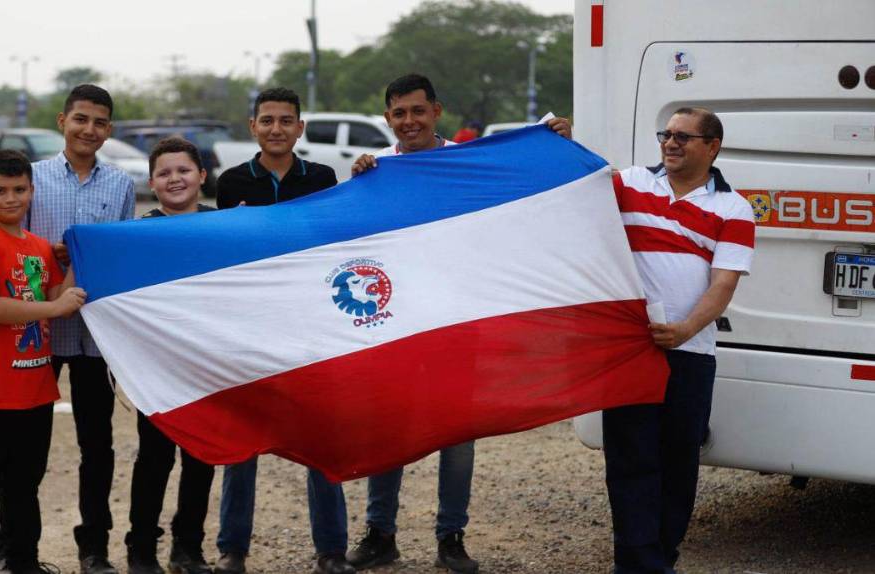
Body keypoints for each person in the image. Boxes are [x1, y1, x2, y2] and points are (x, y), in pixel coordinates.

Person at [347, 73, 573, 574]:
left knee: (458, 436)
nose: (410, 121)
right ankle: (380, 533)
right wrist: (358, 179)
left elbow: (523, 184)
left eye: (418, 111)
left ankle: (451, 537)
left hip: (457, 320)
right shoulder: (375, 170)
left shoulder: (468, 162)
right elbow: (353, 238)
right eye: (399, 113)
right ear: (388, 118)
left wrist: (552, 146)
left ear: (437, 111)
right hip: (396, 326)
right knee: (389, 431)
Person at [603, 107, 754, 574]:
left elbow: (723, 284)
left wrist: (686, 329)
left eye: (683, 138)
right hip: (630, 353)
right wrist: (559, 141)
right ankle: (641, 567)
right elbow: (570, 189)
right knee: (630, 466)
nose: (670, 143)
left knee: (677, 467)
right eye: (666, 135)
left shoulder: (733, 208)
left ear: (712, 146)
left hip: (690, 354)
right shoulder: (629, 183)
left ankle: (656, 559)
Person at [212, 87, 354, 574]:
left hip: (309, 327)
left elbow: (337, 241)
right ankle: (232, 549)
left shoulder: (323, 178)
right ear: (252, 127)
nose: (276, 128)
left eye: (285, 120)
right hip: (249, 328)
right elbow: (220, 253)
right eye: (267, 120)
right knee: (242, 441)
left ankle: (332, 551)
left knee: (321, 436)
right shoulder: (230, 183)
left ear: (300, 128)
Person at [0, 149, 87, 574]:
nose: (11, 198)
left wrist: (80, 259)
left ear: (32, 191)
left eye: (19, 190)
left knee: (25, 485)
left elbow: (53, 297)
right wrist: (56, 308)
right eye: (0, 190)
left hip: (34, 388)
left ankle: (22, 560)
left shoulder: (37, 248)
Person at [24, 83, 136, 574]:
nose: (89, 130)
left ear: (109, 130)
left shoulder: (121, 185)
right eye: (80, 119)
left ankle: (94, 549)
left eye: (99, 122)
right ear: (61, 121)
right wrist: (52, 257)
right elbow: (15, 247)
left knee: (98, 447)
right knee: (27, 444)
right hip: (40, 331)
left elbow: (121, 255)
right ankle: (17, 550)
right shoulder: (32, 178)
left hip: (94, 335)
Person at [125, 137, 217, 574]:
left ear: (201, 175)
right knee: (154, 459)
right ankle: (141, 550)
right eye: (164, 173)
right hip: (157, 370)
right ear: (152, 183)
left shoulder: (225, 227)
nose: (174, 179)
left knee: (200, 458)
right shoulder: (138, 234)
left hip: (210, 368)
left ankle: (189, 547)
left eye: (183, 170)